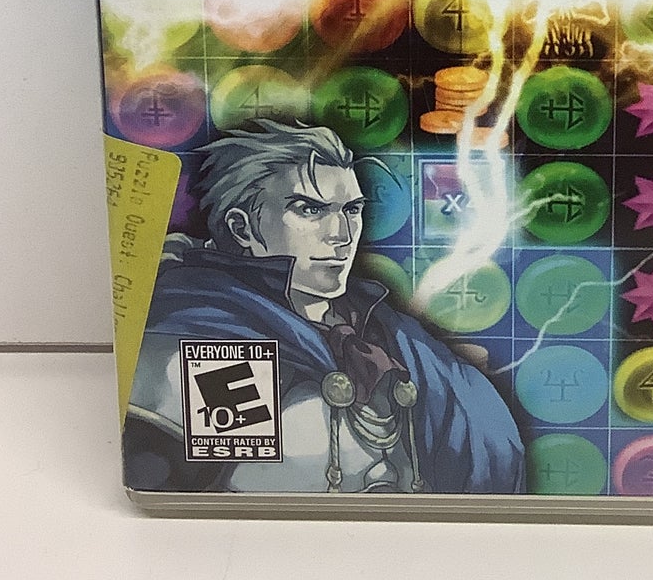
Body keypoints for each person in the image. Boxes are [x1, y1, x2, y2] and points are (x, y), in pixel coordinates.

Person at [124, 121, 524, 496]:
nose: (341, 235)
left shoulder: (385, 328)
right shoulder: (212, 333)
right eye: (309, 210)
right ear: (242, 228)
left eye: (351, 210)